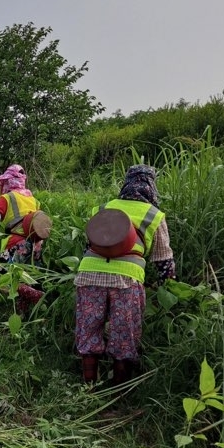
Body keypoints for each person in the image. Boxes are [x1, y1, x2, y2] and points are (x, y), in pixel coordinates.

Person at [75, 164, 176, 387]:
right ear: (151, 186)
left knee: (88, 328)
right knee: (124, 334)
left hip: (89, 273)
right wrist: (167, 288)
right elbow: (163, 260)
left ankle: (88, 387)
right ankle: (119, 392)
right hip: (126, 279)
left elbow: (89, 245)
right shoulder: (154, 215)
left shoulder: (103, 208)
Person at [0, 164, 45, 313]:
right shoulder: (33, 199)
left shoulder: (7, 198)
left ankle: (36, 295)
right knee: (23, 279)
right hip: (36, 245)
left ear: (8, 182)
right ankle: (23, 315)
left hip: (15, 244)